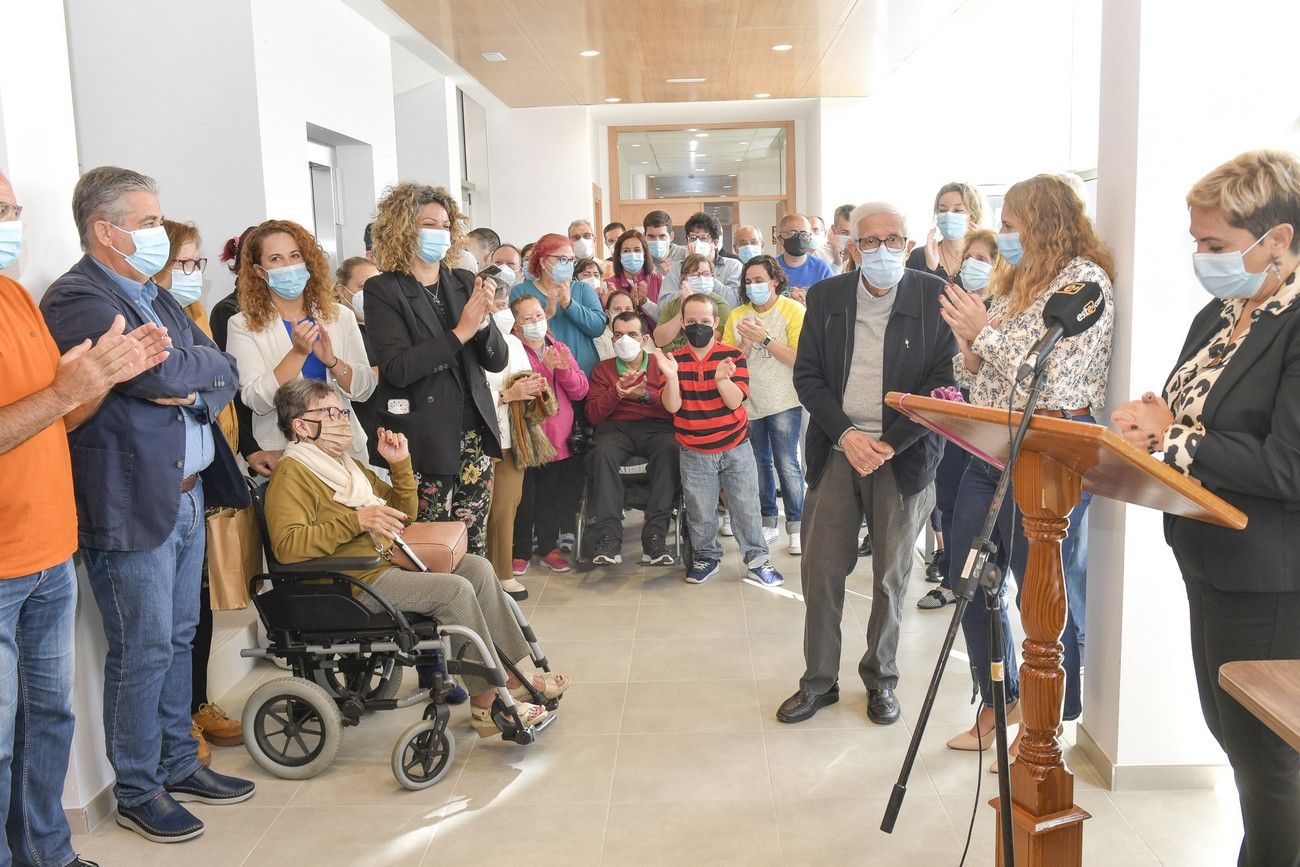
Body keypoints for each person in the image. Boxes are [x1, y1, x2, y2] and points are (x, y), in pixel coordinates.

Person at [40, 165, 256, 844]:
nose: (160, 233)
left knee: (177, 639)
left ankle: (175, 758)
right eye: (149, 222)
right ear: (106, 230)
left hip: (185, 496)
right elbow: (160, 371)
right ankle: (138, 785)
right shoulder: (79, 297)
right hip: (132, 503)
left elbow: (215, 367)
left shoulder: (151, 294)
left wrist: (185, 382)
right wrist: (179, 376)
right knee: (140, 649)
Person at [1110, 149, 1300, 867]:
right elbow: (1183, 420)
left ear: (1275, 240)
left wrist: (1175, 436)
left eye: (1214, 245)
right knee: (1232, 735)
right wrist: (1146, 430)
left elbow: (1289, 464)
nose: (1201, 257)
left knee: (1267, 762)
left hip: (1271, 575)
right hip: (1208, 555)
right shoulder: (1219, 316)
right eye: (1196, 241)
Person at [0, 168, 169, 867]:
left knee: (48, 722)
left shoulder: (13, 295)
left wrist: (99, 380)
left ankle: (50, 854)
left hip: (49, 550)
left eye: (11, 208)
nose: (13, 221)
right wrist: (69, 388)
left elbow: (61, 416)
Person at [264, 379, 567, 735]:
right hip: (351, 581)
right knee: (454, 590)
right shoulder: (292, 472)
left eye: (341, 411)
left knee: (477, 569)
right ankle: (487, 703)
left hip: (382, 563)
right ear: (300, 425)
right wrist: (356, 520)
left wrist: (400, 465)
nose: (342, 420)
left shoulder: (346, 467)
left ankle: (509, 674)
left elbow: (403, 514)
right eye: (329, 412)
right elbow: (287, 544)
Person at [938, 174, 1113, 759]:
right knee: (968, 577)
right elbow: (983, 377)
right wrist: (968, 345)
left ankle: (1046, 724)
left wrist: (982, 333)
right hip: (991, 450)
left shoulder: (1085, 284)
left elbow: (1055, 376)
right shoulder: (1016, 286)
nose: (1004, 236)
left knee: (1044, 596)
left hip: (1049, 455)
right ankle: (999, 698)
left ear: (1045, 224)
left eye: (1012, 225)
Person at [777, 201, 955, 727]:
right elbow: (808, 376)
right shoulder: (829, 297)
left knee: (890, 577)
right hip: (838, 449)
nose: (883, 250)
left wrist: (890, 444)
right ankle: (819, 681)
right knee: (821, 570)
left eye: (894, 239)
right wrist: (849, 435)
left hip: (904, 457)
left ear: (908, 242)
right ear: (852, 247)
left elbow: (943, 384)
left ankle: (881, 679)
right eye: (871, 241)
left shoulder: (933, 296)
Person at [363, 183, 508, 556]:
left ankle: (475, 609)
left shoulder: (462, 281)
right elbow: (397, 368)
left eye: (445, 225)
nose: (439, 233)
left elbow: (496, 360)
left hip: (472, 433)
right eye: (430, 224)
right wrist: (461, 332)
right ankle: (438, 611)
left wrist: (485, 323)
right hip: (422, 438)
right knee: (430, 545)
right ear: (403, 228)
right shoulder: (383, 290)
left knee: (472, 542)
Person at [155, 219, 244, 764]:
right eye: (185, 264)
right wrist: (203, 381)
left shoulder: (191, 317)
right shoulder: (150, 319)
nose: (194, 274)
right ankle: (178, 725)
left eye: (198, 264)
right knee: (163, 629)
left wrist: (201, 384)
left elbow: (223, 372)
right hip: (167, 490)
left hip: (203, 481)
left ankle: (198, 703)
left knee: (196, 615)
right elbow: (168, 380)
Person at [656, 294, 784, 587]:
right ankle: (706, 557)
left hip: (735, 447)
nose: (697, 326)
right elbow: (672, 407)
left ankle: (757, 560)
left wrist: (722, 380)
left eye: (704, 321)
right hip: (694, 451)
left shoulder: (733, 357)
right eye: (691, 322)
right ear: (682, 325)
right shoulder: (673, 361)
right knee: (700, 509)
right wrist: (672, 377)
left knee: (745, 506)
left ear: (715, 323)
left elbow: (735, 400)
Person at [227, 220, 376, 467]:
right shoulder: (242, 325)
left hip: (344, 451)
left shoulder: (339, 316)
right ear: (259, 271)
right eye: (276, 259)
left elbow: (364, 389)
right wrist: (297, 354)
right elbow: (255, 400)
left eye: (295, 255)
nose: (288, 265)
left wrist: (332, 362)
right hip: (284, 456)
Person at [917, 227, 1000, 611]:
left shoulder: (1004, 310)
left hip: (989, 424)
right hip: (952, 411)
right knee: (949, 498)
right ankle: (951, 576)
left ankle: (986, 582)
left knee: (984, 512)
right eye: (971, 257)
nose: (974, 265)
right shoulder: (951, 300)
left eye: (984, 259)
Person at [723, 255, 807, 555]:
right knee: (759, 464)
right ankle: (768, 520)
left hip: (785, 399)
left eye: (759, 280)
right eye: (748, 282)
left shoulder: (792, 310)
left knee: (788, 463)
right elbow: (727, 361)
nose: (753, 286)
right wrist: (743, 346)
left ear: (775, 281)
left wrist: (765, 338)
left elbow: (799, 359)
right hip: (748, 402)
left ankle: (797, 525)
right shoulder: (737, 315)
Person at [584, 311, 680, 566]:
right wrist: (616, 393)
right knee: (600, 453)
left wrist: (644, 396)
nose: (624, 339)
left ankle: (656, 537)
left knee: (671, 449)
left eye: (632, 334)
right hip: (615, 429)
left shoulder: (660, 365)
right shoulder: (603, 370)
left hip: (657, 428)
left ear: (645, 338)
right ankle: (608, 537)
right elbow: (592, 414)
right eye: (618, 335)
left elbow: (674, 408)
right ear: (612, 339)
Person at [509, 295, 589, 574]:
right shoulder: (511, 349)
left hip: (558, 438)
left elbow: (580, 390)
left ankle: (548, 548)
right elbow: (530, 386)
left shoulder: (559, 347)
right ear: (516, 325)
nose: (535, 322)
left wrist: (564, 370)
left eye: (539, 316)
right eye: (527, 318)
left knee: (550, 497)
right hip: (526, 439)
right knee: (524, 497)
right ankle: (519, 552)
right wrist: (547, 369)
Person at [483, 289, 541, 599]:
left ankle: (503, 573)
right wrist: (506, 396)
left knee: (507, 505)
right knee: (481, 508)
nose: (502, 310)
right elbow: (470, 395)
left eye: (505, 304)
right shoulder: (468, 344)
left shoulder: (515, 342)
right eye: (497, 305)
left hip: (511, 435)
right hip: (480, 437)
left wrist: (533, 387)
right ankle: (479, 574)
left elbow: (522, 379)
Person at [510, 233, 606, 376]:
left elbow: (598, 328)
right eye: (562, 259)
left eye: (571, 260)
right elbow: (518, 334)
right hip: (544, 375)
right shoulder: (521, 292)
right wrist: (547, 312)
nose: (567, 265)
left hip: (585, 374)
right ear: (543, 262)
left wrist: (569, 304)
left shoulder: (581, 289)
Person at [652, 253, 733, 353]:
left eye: (706, 274)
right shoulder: (672, 304)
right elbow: (659, 341)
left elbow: (703, 345)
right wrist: (684, 306)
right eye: (694, 275)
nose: (701, 279)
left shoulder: (720, 305)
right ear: (683, 279)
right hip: (670, 362)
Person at [659, 212, 742, 307]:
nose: (697, 242)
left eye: (703, 238)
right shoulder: (677, 268)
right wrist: (685, 291)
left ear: (715, 243)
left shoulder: (733, 266)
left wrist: (707, 278)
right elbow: (662, 307)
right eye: (693, 238)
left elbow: (736, 302)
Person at [907, 182, 985, 283]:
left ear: (973, 216)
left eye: (957, 210)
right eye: (942, 210)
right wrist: (929, 269)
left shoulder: (984, 259)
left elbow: (992, 294)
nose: (948, 215)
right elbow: (910, 296)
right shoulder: (918, 256)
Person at [607, 229, 664, 323]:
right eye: (626, 251)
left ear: (645, 254)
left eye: (637, 250)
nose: (632, 254)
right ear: (619, 256)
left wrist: (644, 302)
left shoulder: (660, 281)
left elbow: (667, 319)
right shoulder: (608, 285)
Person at [776, 213, 834, 301]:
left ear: (810, 238)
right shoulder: (770, 267)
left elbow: (833, 301)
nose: (798, 238)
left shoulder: (821, 268)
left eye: (804, 234)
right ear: (780, 239)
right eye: (792, 233)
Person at [592, 290, 636, 361]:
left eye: (628, 309)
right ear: (608, 313)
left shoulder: (642, 334)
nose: (623, 313)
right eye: (617, 309)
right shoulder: (599, 337)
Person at [334, 255, 378, 326]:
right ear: (341, 291)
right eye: (365, 286)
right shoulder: (330, 328)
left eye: (377, 287)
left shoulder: (384, 326)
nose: (374, 293)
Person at [643, 210, 686, 275]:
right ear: (644, 237)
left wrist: (672, 276)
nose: (657, 242)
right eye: (651, 236)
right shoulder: (640, 259)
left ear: (671, 236)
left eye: (662, 236)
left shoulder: (685, 256)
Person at [827, 203, 855, 272]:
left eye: (854, 233)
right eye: (845, 233)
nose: (850, 238)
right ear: (834, 229)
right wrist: (837, 262)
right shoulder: (821, 254)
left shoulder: (864, 253)